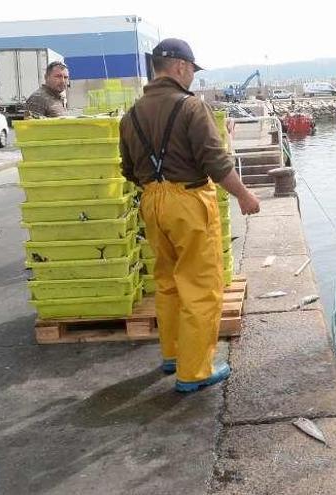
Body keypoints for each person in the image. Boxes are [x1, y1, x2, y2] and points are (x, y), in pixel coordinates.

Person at [119, 38, 260, 393]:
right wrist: (243, 195)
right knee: (200, 286)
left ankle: (173, 355)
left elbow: (128, 170)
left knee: (167, 281)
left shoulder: (131, 115)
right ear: (180, 67)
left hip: (151, 200)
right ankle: (194, 371)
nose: (193, 78)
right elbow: (216, 163)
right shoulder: (191, 107)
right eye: (192, 71)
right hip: (187, 202)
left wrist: (156, 187)